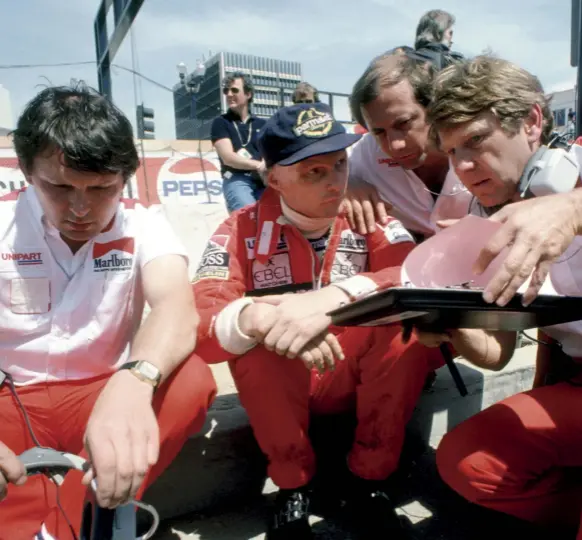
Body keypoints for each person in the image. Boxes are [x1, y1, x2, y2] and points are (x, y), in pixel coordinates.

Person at [192, 102, 443, 539]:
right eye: (313, 172)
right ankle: (293, 488)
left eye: (341, 164)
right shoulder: (238, 229)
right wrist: (265, 320)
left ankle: (370, 482)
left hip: (357, 375)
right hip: (289, 387)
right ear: (274, 179)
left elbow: (410, 277)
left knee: (403, 331)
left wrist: (332, 299)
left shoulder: (372, 215)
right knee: (260, 345)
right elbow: (202, 323)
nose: (335, 182)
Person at [0, 84, 217, 540]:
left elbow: (177, 310)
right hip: (10, 398)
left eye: (101, 189)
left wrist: (135, 378)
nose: (79, 209)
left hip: (104, 393)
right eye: (58, 187)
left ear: (126, 178)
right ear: (25, 171)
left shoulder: (144, 222)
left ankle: (62, 523)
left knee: (192, 379)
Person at [417, 55, 582, 536]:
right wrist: (444, 317)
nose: (463, 167)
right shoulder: (494, 216)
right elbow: (497, 353)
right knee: (468, 462)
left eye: (475, 141)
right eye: (450, 151)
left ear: (532, 121)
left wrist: (570, 208)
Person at [346, 49, 472, 239]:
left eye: (403, 123)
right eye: (378, 132)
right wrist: (345, 183)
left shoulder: (476, 143)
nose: (394, 145)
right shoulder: (362, 154)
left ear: (433, 108)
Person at [211, 72, 267, 213]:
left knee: (277, 215)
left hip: (262, 180)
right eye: (226, 90)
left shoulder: (263, 124)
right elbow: (228, 158)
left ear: (248, 94)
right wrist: (258, 165)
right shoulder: (221, 122)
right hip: (237, 178)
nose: (229, 94)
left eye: (234, 90)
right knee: (249, 215)